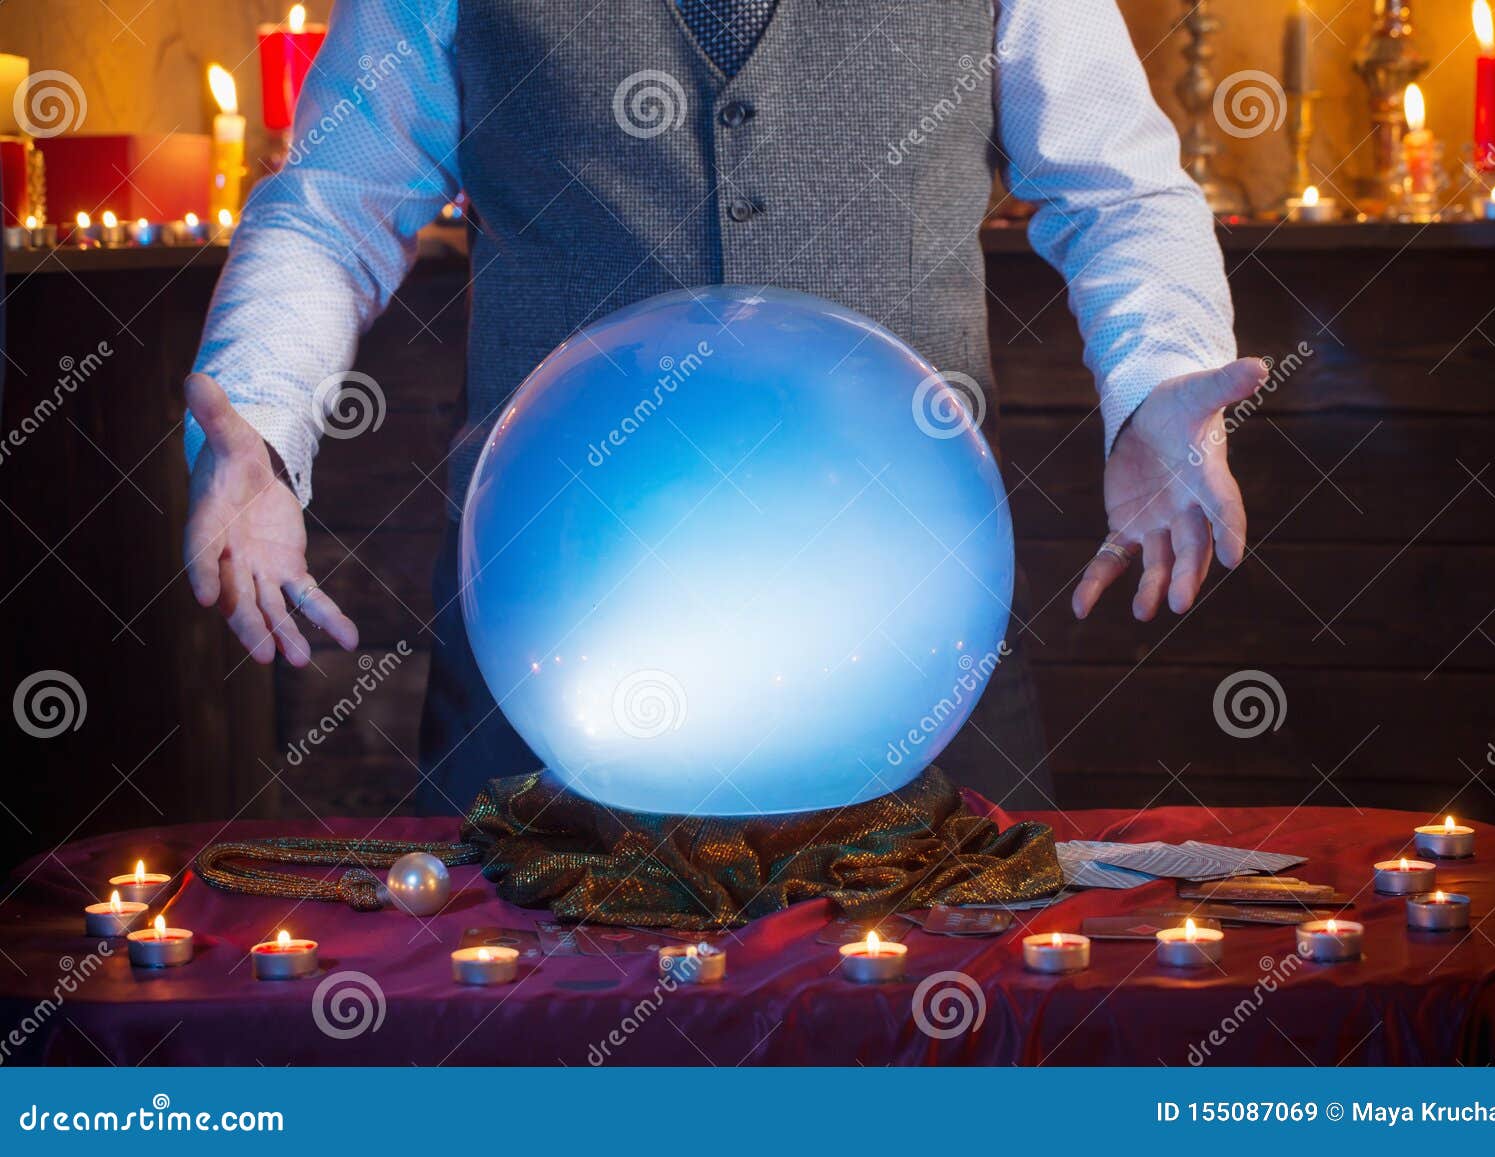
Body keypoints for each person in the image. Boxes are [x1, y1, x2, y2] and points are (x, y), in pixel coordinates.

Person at [182, 0, 1265, 816]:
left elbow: (1119, 193)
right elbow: (333, 205)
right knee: (530, 1030)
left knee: (943, 1034)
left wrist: (1159, 380)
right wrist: (260, 426)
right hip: (546, 637)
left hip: (913, 637)